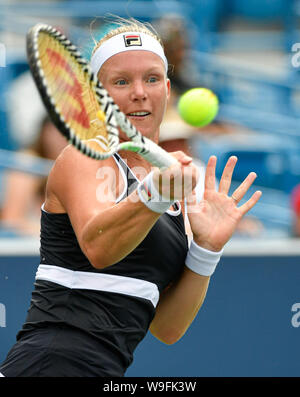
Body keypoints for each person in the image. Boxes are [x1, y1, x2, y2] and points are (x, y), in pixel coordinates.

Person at [0, 17, 262, 377]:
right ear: (96, 97)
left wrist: (205, 249)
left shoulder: (170, 197)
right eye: (121, 81)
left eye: (151, 79)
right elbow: (99, 248)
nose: (139, 92)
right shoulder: (86, 155)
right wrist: (155, 193)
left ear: (167, 90)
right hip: (50, 364)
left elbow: (167, 328)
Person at [0, 72, 67, 236]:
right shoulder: (26, 163)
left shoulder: (84, 166)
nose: (63, 138)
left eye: (69, 131)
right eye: (57, 129)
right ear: (44, 130)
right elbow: (11, 222)